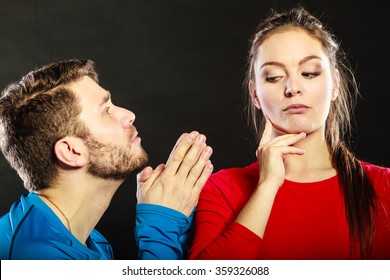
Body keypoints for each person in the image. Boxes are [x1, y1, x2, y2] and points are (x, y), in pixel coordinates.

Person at [188, 6, 390, 260]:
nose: (293, 88)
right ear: (255, 95)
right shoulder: (221, 190)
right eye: (273, 77)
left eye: (309, 73)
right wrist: (267, 185)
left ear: (335, 85)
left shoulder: (384, 188)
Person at [0, 58, 214, 260]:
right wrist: (160, 229)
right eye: (106, 111)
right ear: (72, 151)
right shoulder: (37, 257)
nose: (129, 114)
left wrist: (177, 219)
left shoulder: (90, 240)